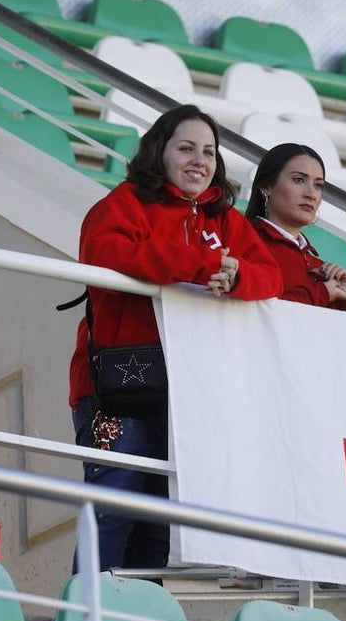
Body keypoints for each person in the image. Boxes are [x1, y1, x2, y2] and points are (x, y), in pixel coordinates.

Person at [69, 104, 283, 571]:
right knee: (112, 512)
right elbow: (103, 257)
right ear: (159, 152)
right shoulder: (123, 204)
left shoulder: (225, 219)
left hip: (192, 398)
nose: (199, 161)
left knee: (160, 531)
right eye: (186, 148)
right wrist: (202, 265)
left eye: (208, 152)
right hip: (117, 391)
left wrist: (238, 276)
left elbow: (270, 276)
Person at [245, 143, 346, 313]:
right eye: (298, 180)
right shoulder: (244, 243)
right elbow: (258, 312)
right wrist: (322, 293)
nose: (311, 194)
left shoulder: (320, 267)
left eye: (318, 185)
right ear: (266, 186)